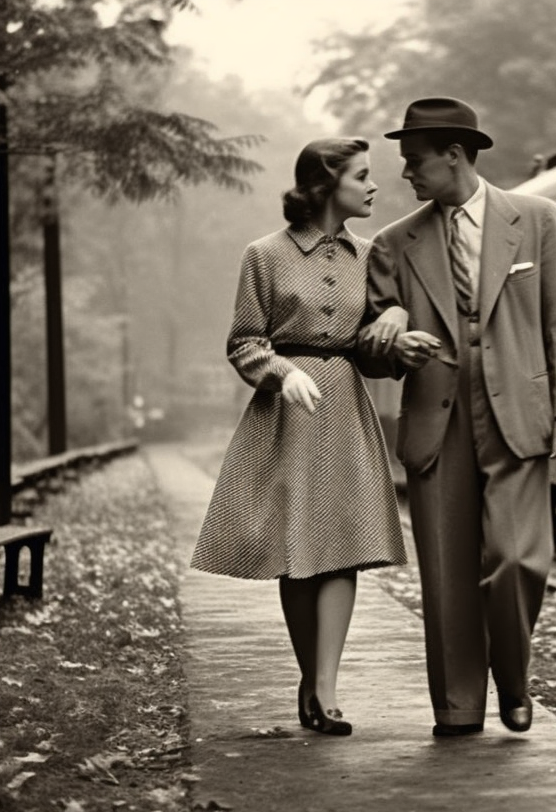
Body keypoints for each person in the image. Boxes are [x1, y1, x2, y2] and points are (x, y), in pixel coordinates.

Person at [360, 97, 556, 737]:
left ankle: (514, 682)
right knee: (447, 575)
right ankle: (458, 708)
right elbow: (368, 345)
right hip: (438, 423)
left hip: (519, 413)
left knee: (517, 560)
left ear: (454, 156)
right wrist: (389, 338)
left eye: (414, 161)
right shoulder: (393, 243)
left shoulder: (538, 219)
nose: (406, 173)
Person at [191, 137, 408, 737]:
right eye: (361, 176)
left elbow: (371, 346)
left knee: (345, 545)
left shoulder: (373, 254)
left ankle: (327, 689)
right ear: (324, 185)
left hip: (344, 405)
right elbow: (244, 342)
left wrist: (396, 337)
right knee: (300, 552)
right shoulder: (264, 255)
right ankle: (308, 678)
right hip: (287, 412)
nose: (372, 186)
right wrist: (281, 372)